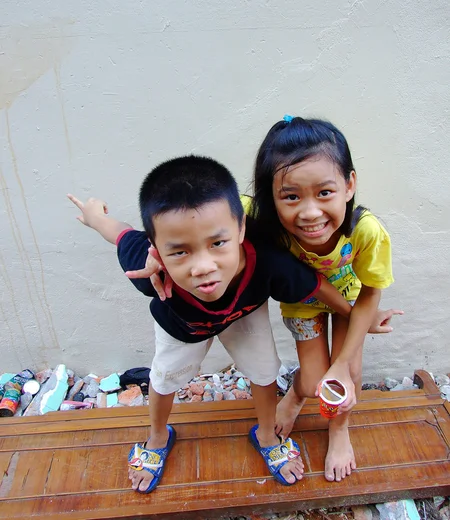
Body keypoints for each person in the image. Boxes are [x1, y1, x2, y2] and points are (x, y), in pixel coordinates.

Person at [67, 154, 355, 493]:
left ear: (241, 229)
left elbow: (316, 285)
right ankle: (157, 437)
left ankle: (265, 433)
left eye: (218, 243)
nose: (203, 266)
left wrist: (355, 315)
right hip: (183, 327)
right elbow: (120, 234)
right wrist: (95, 216)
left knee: (265, 372)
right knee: (164, 378)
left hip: (243, 315)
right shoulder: (149, 270)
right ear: (156, 249)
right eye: (180, 252)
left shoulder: (267, 262)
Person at [249, 115, 403, 482]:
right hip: (303, 303)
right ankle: (296, 397)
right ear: (270, 196)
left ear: (349, 185)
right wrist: (153, 249)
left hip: (350, 299)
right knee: (313, 380)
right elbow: (203, 212)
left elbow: (369, 291)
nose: (310, 212)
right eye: (290, 196)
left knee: (348, 375)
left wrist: (346, 355)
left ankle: (339, 430)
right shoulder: (260, 220)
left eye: (324, 192)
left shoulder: (366, 232)